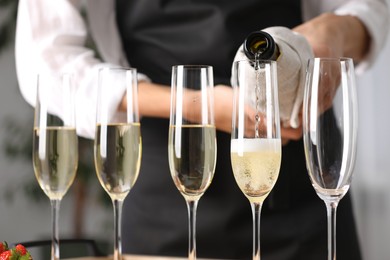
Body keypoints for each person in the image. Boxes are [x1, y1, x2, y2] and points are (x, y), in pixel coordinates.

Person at [15, 0, 389, 259]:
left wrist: (335, 31)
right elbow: (46, 61)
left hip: (300, 185)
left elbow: (368, 8)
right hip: (166, 193)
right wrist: (197, 106)